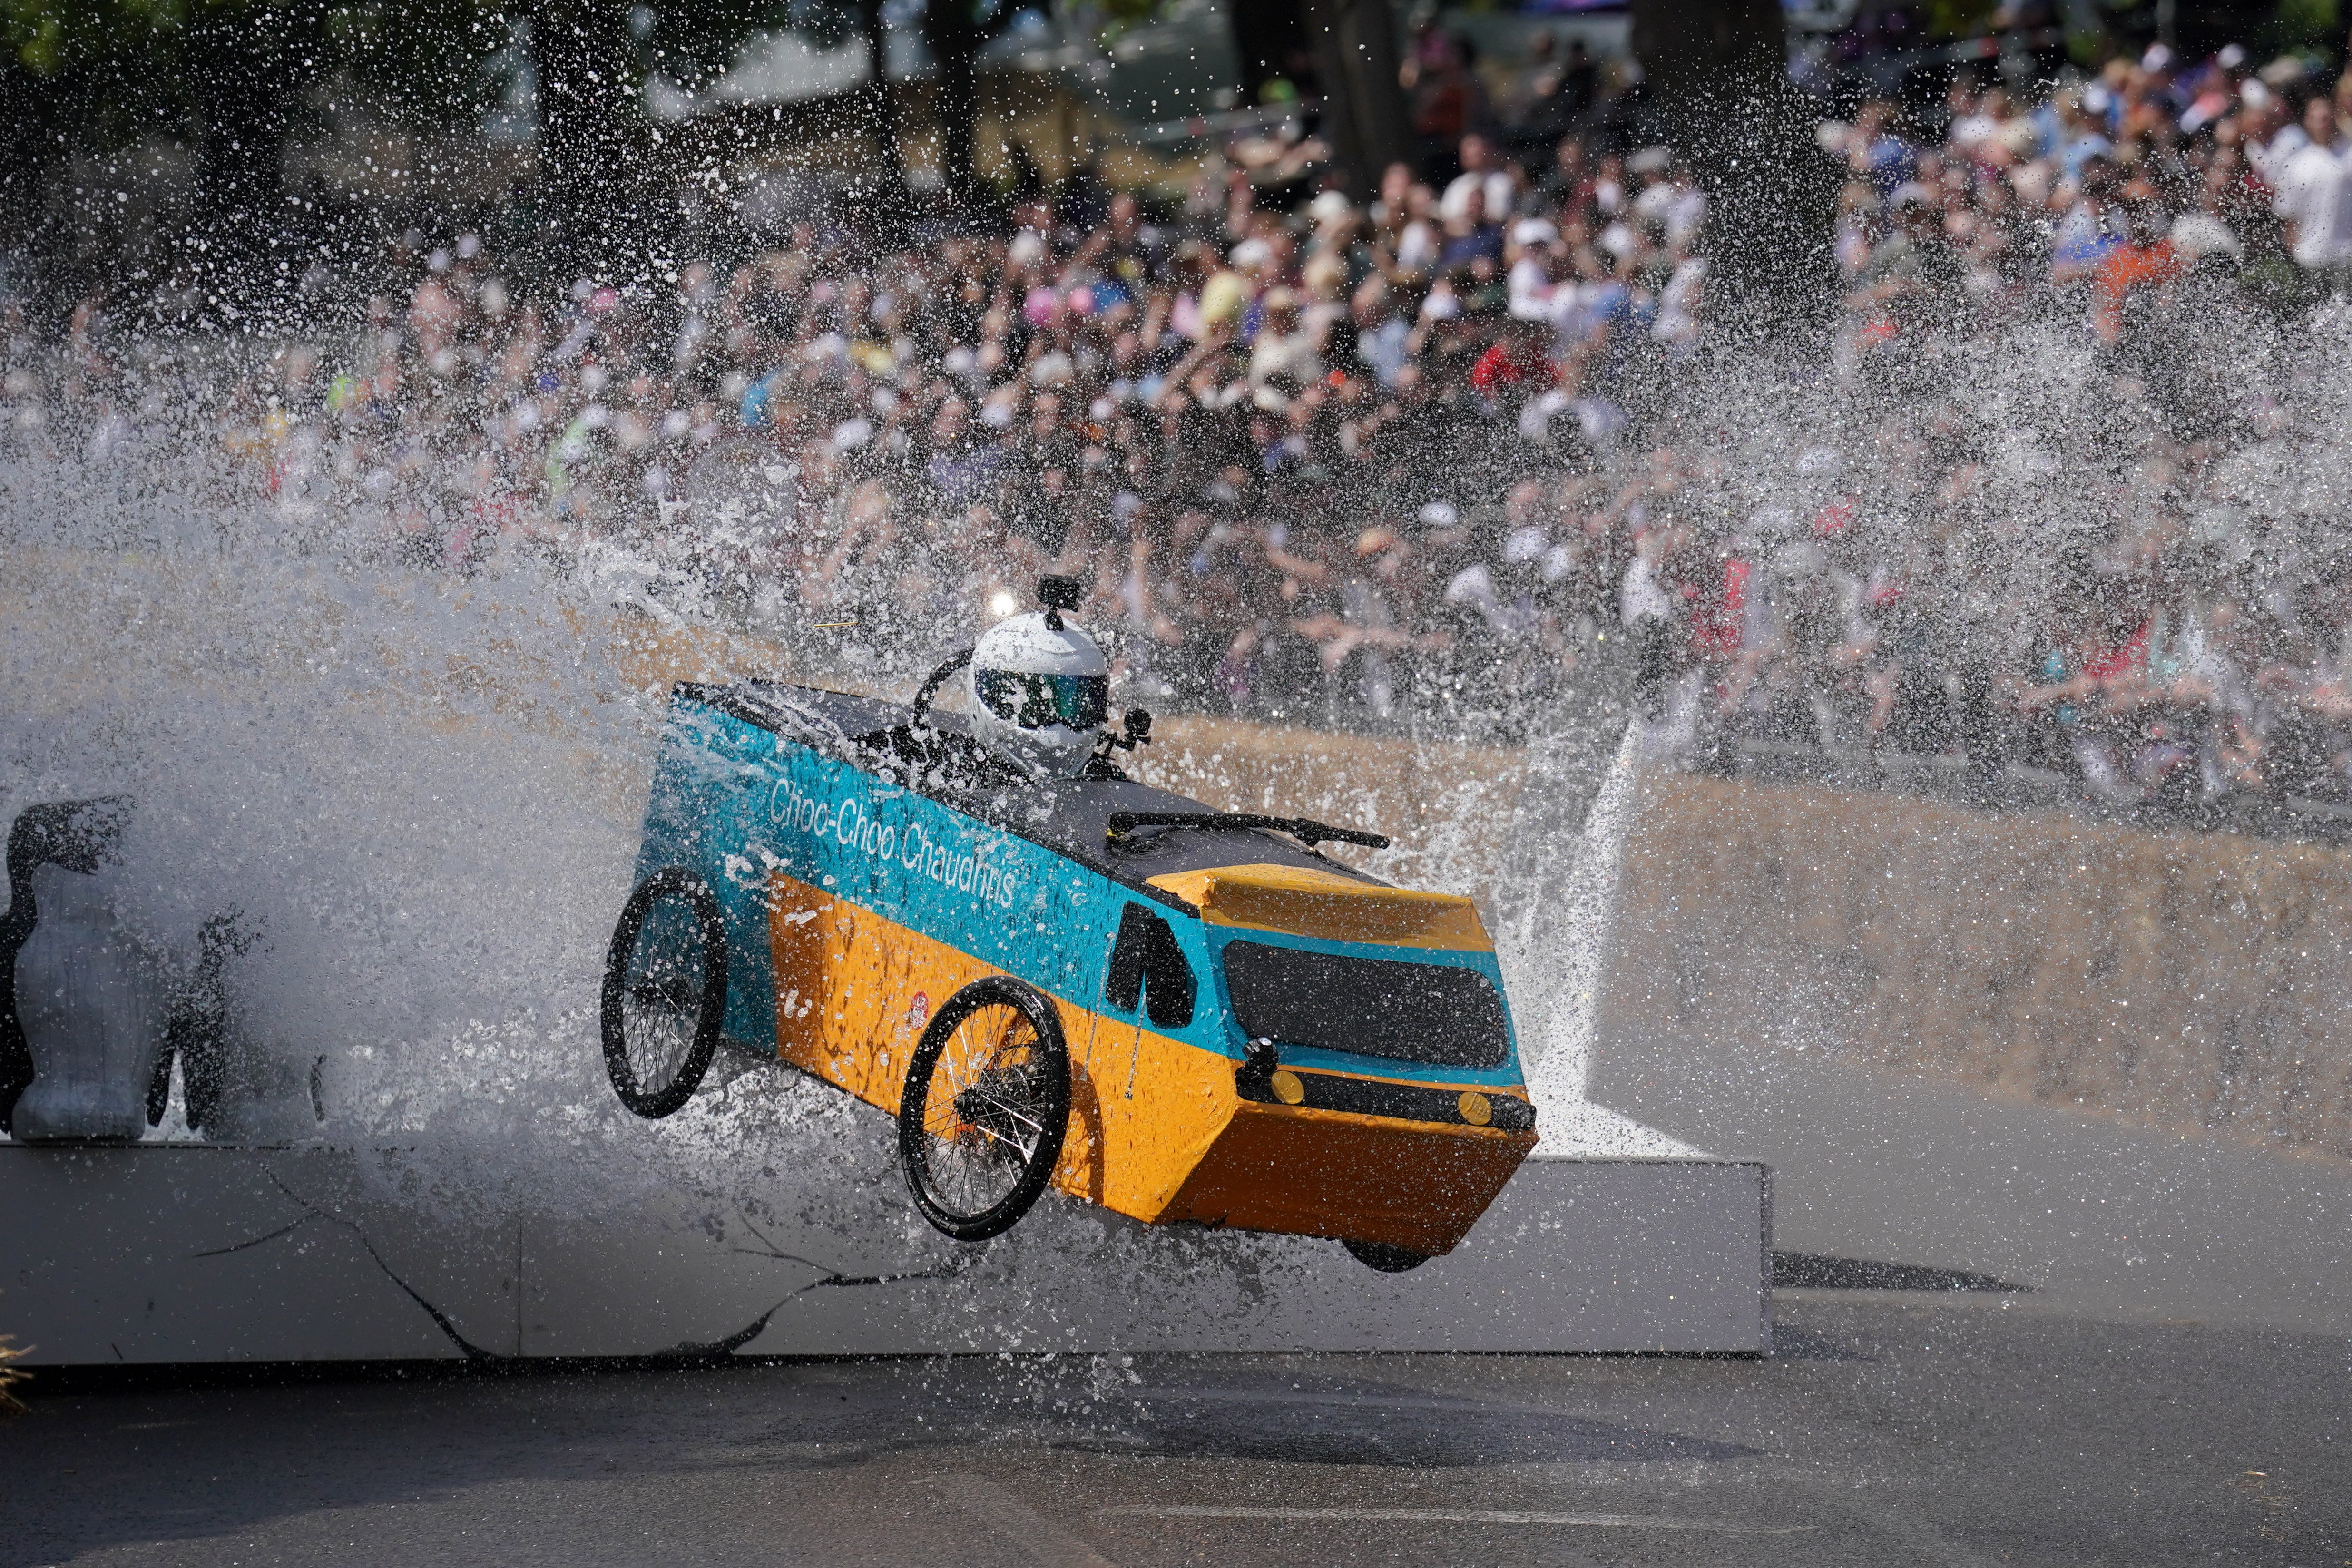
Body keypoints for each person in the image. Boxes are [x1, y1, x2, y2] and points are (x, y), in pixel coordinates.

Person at [968, 578, 1113, 778]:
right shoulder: (963, 775)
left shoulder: (1101, 777)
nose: (1058, 733)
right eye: (1036, 708)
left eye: (1074, 707)